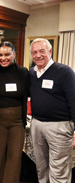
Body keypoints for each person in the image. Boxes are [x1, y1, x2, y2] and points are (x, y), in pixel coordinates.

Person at [29, 38, 75, 183]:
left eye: (42, 51)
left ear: (50, 51)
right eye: (34, 52)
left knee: (59, 169)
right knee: (41, 166)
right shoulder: (31, 73)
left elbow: (74, 100)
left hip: (59, 126)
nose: (38, 55)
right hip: (36, 125)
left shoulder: (64, 71)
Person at [0, 41, 29, 183]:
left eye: (7, 54)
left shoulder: (23, 72)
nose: (3, 58)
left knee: (14, 156)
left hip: (17, 120)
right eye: (0, 55)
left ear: (14, 54)